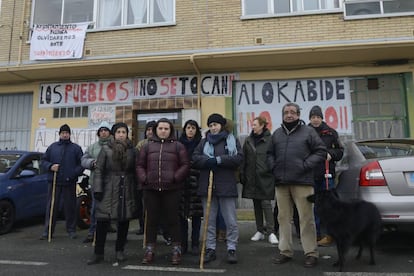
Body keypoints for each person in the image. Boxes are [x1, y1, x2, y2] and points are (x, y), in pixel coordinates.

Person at [267, 102, 326, 268]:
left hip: (303, 182)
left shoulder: (309, 132)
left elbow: (321, 151)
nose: (289, 115)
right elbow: (269, 154)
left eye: (293, 112)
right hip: (282, 182)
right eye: (286, 112)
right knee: (283, 218)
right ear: (283, 115)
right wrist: (273, 166)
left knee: (306, 219)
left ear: (298, 115)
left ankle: (311, 253)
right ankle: (285, 251)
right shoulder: (277, 134)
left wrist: (305, 165)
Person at [136, 118, 190, 265]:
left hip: (172, 189)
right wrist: (144, 178)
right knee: (151, 221)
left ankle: (176, 251)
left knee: (173, 221)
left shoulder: (178, 146)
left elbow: (185, 165)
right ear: (156, 130)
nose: (163, 131)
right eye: (161, 128)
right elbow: (140, 165)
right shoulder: (147, 147)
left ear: (170, 130)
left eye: (166, 129)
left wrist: (175, 177)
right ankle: (149, 251)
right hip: (151, 189)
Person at [192, 113, 243, 264]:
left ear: (221, 125)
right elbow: (195, 158)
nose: (213, 128)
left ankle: (231, 248)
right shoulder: (203, 142)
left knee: (230, 220)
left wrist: (219, 160)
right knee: (209, 220)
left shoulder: (232, 140)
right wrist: (207, 161)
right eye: (211, 125)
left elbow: (238, 158)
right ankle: (210, 249)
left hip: (226, 185)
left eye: (215, 124)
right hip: (207, 186)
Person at [87, 122, 139, 265]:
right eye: (118, 132)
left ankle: (120, 250)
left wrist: (138, 189)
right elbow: (99, 171)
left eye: (124, 132)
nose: (121, 135)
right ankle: (98, 253)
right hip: (108, 189)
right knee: (102, 221)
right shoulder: (106, 149)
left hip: (126, 188)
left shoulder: (132, 150)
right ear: (114, 134)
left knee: (123, 221)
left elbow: (136, 171)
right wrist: (97, 189)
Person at [308, 105, 344, 246]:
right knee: (315, 206)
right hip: (311, 175)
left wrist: (331, 154)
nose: (315, 120)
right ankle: (316, 234)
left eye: (317, 117)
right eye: (313, 117)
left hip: (327, 175)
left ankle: (330, 234)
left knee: (329, 206)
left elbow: (340, 151)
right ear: (310, 119)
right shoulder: (306, 132)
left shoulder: (331, 133)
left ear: (322, 118)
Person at [40, 124, 83, 240]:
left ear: (69, 134)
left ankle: (71, 230)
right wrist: (50, 166)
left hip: (69, 182)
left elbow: (82, 164)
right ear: (59, 134)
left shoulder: (76, 148)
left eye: (67, 133)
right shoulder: (53, 147)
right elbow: (43, 161)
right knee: (52, 207)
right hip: (54, 182)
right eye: (63, 133)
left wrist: (73, 173)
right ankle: (48, 231)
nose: (65, 135)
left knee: (70, 207)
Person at [240, 116, 278, 245]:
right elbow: (243, 158)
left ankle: (271, 232)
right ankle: (259, 231)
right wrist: (242, 174)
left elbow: (274, 156)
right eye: (252, 124)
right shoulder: (248, 140)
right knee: (256, 204)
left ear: (262, 125)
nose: (253, 126)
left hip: (265, 177)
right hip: (252, 177)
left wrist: (271, 170)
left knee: (266, 204)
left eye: (255, 124)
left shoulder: (270, 140)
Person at [81, 121, 112, 243]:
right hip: (96, 183)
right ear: (98, 133)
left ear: (109, 133)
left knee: (111, 209)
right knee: (95, 209)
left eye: (106, 130)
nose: (103, 132)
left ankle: (109, 228)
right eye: (101, 131)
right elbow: (83, 160)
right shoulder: (92, 147)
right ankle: (92, 232)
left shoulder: (114, 146)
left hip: (110, 183)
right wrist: (92, 163)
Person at [178, 119, 203, 255]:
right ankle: (183, 244)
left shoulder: (201, 143)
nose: (191, 130)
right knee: (181, 216)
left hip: (196, 183)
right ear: (185, 129)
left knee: (196, 216)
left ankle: (195, 244)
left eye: (193, 128)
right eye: (188, 127)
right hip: (181, 184)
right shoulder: (178, 144)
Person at [135, 120, 157, 236]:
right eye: (148, 130)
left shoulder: (160, 143)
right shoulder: (141, 145)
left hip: (156, 180)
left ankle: (158, 228)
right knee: (143, 206)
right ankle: (143, 227)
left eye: (152, 129)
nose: (150, 132)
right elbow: (138, 163)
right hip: (143, 180)